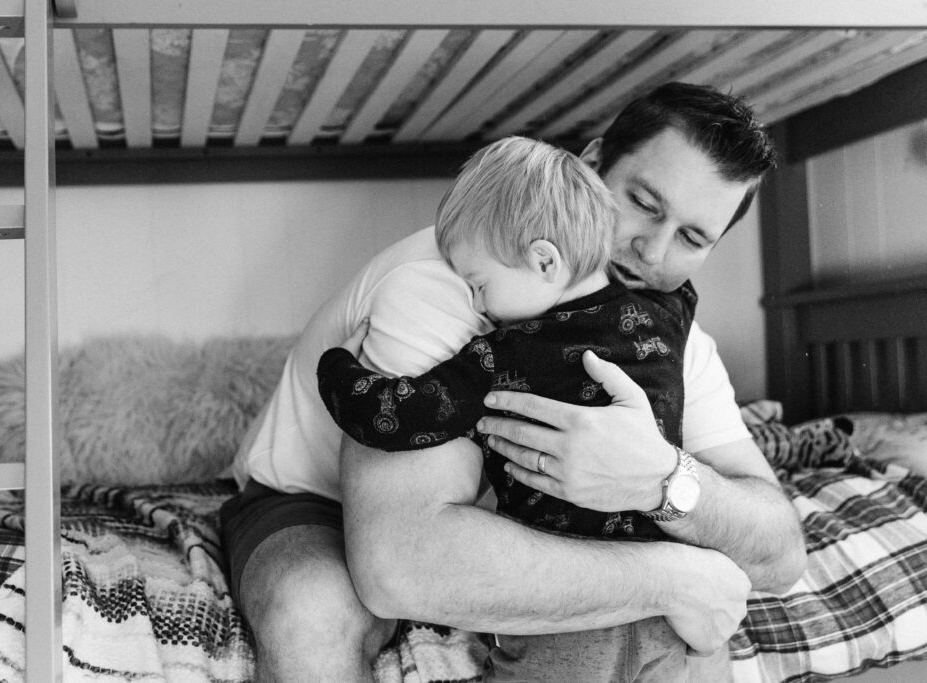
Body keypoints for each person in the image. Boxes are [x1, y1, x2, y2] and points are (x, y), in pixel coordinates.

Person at [220, 83, 807, 681]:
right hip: (317, 500)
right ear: (592, 164)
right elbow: (398, 565)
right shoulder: (456, 281)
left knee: (693, 643)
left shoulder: (664, 329)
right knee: (311, 612)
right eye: (645, 203)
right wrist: (677, 578)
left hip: (503, 520)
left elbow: (782, 554)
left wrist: (665, 480)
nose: (651, 251)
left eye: (691, 237)